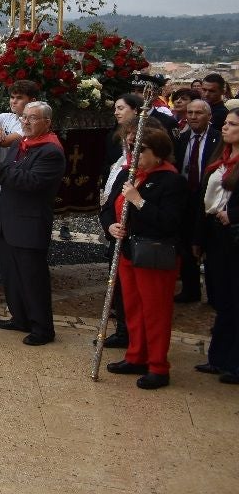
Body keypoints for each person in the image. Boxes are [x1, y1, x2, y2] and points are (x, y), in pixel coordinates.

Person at [101, 127, 190, 389]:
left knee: (155, 311)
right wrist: (110, 226)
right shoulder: (128, 174)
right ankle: (136, 355)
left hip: (154, 255)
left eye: (142, 149)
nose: (135, 154)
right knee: (133, 307)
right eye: (132, 148)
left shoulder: (171, 181)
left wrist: (139, 201)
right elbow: (107, 208)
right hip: (128, 251)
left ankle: (158, 366)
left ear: (159, 153)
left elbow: (170, 222)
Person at [0, 102, 65, 345]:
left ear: (47, 122)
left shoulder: (50, 151)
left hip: (29, 223)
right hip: (9, 219)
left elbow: (30, 181)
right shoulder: (21, 144)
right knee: (12, 274)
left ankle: (42, 328)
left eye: (32, 118)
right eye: (24, 117)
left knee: (32, 277)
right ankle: (20, 317)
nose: (25, 122)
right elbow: (8, 174)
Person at [199, 108, 239, 383]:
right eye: (226, 123)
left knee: (235, 300)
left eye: (233, 124)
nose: (225, 128)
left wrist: (234, 215)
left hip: (233, 235)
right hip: (216, 234)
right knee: (223, 299)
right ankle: (218, 357)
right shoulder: (221, 158)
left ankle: (233, 362)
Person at [173, 100, 219, 303]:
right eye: (190, 112)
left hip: (208, 198)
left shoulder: (218, 140)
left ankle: (216, 294)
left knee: (209, 246)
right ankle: (190, 290)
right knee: (186, 244)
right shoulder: (180, 139)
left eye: (198, 113)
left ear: (209, 116)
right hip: (185, 198)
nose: (193, 116)